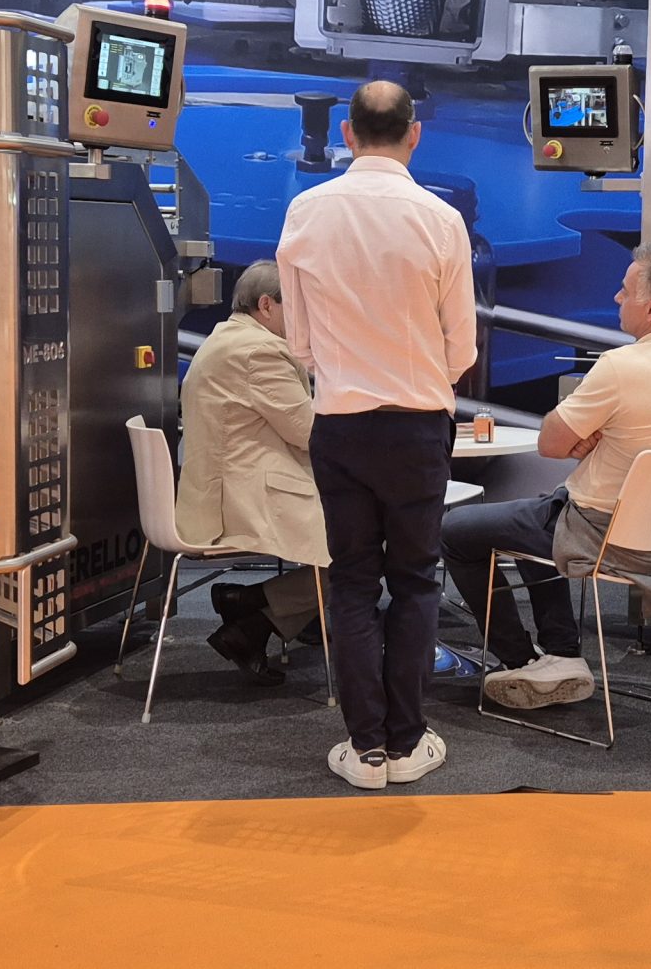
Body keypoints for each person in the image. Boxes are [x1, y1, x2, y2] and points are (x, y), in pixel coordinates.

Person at [276, 80, 476, 790]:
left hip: (341, 425)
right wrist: (420, 380)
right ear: (414, 133)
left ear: (347, 134)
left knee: (352, 582)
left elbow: (299, 344)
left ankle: (365, 751)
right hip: (419, 427)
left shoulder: (305, 211)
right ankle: (407, 741)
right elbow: (462, 347)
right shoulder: (442, 219)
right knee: (416, 581)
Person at [443, 242, 651, 710]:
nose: (616, 297)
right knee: (537, 513)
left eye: (625, 290)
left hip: (601, 534)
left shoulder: (621, 366)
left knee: (455, 531)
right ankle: (560, 653)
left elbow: (551, 443)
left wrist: (586, 435)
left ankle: (519, 659)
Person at [176, 261, 331, 686]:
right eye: (299, 308)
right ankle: (254, 610)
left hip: (229, 487)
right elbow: (310, 433)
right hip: (244, 497)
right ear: (267, 305)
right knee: (367, 549)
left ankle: (254, 614)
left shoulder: (228, 337)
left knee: (364, 538)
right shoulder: (258, 352)